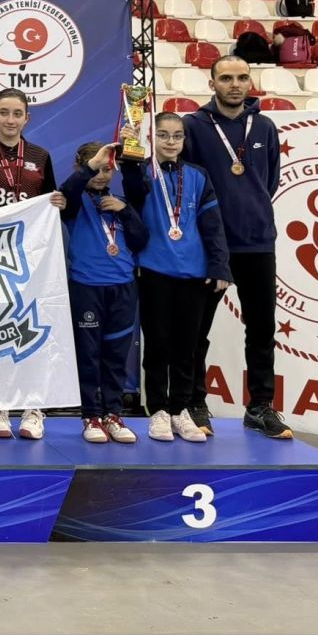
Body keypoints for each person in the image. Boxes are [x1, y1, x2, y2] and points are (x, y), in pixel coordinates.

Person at [182, 55, 294, 439]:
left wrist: (252, 212)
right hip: (209, 245)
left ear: (250, 83)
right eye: (226, 78)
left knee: (261, 329)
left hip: (258, 242)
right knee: (196, 330)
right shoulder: (193, 126)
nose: (235, 85)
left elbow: (269, 181)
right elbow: (185, 183)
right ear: (212, 83)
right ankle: (194, 402)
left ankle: (260, 406)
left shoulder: (264, 126)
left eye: (242, 78)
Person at [119, 113, 232, 443]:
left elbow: (212, 225)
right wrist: (130, 150)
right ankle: (157, 410)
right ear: (152, 138)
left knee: (187, 347)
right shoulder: (144, 172)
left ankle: (181, 409)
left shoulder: (198, 175)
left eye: (177, 135)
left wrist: (220, 266)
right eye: (163, 135)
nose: (170, 141)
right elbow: (132, 187)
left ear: (184, 140)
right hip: (154, 271)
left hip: (194, 274)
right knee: (157, 345)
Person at [0, 87, 67, 440]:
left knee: (32, 329)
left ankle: (33, 407)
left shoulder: (40, 156)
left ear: (27, 117)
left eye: (17, 114)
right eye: (4, 113)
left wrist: (57, 203)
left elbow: (51, 201)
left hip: (34, 258)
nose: (10, 120)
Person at [59, 142, 148, 444]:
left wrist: (127, 212)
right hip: (86, 287)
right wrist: (90, 166)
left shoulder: (121, 202)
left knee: (116, 355)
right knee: (89, 355)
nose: (101, 175)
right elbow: (68, 190)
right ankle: (91, 415)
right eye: (96, 169)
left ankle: (113, 414)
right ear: (82, 168)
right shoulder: (74, 201)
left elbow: (140, 240)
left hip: (123, 287)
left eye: (107, 169)